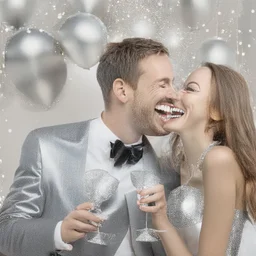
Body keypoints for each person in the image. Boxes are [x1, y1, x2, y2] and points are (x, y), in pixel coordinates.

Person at [0, 38, 180, 256]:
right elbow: (6, 232)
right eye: (163, 84)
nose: (174, 94)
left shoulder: (171, 171)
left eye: (172, 83)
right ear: (122, 91)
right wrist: (59, 232)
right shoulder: (46, 147)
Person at [138, 63, 256, 256]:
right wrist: (159, 220)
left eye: (190, 89)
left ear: (216, 110)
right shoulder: (176, 166)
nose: (175, 95)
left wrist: (162, 221)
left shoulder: (219, 160)